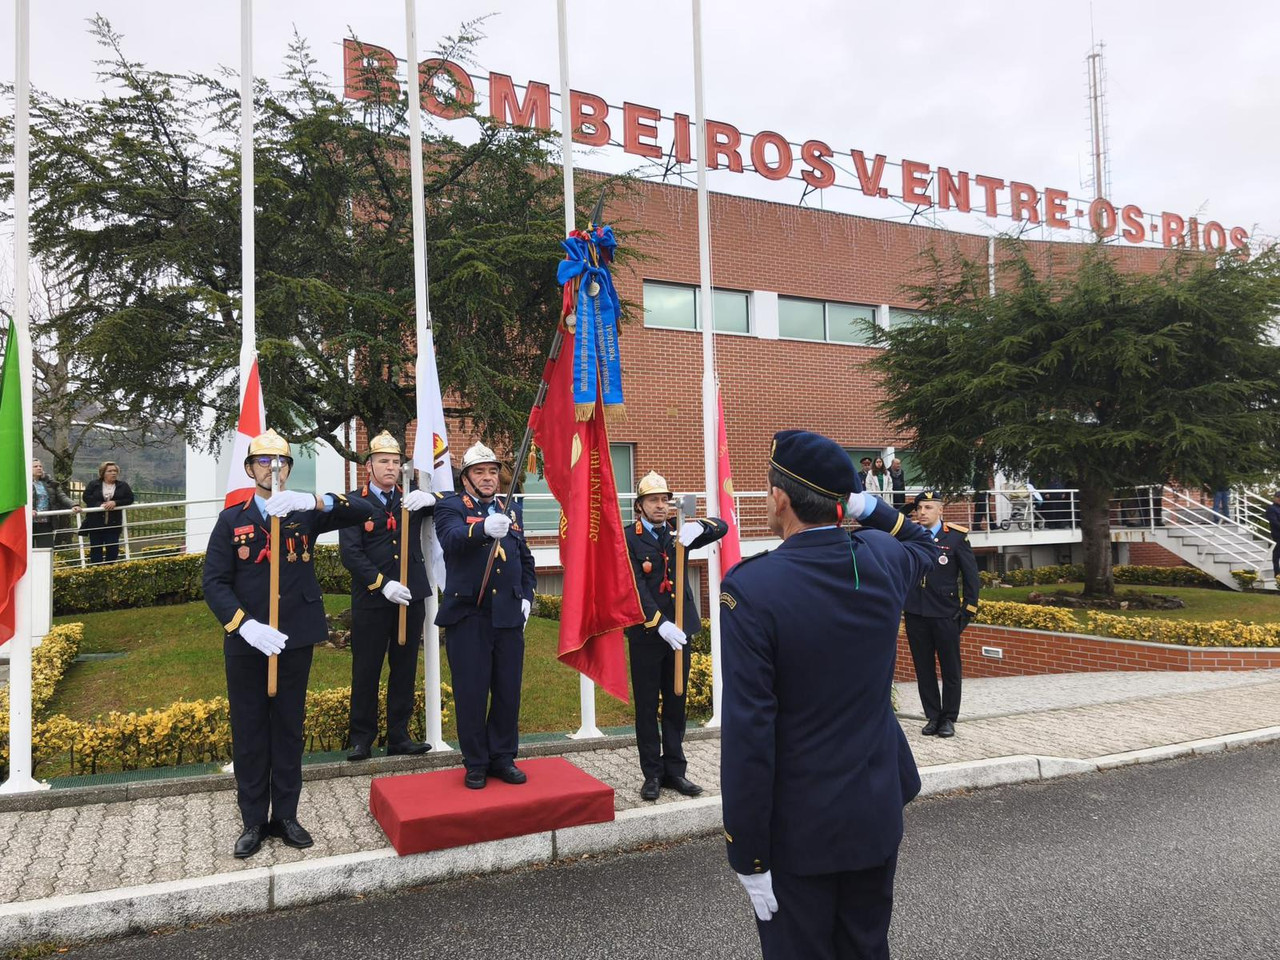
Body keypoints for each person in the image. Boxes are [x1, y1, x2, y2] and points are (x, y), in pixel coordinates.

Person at [719, 429, 938, 960]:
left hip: (800, 832)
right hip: (874, 812)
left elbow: (750, 735)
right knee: (866, 949)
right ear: (842, 501)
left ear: (781, 498)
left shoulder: (751, 589)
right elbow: (924, 543)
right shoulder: (882, 558)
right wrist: (872, 506)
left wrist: (748, 856)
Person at [202, 429, 375, 859]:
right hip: (248, 642)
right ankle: (253, 820)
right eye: (264, 462)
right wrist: (243, 626)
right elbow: (214, 582)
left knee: (288, 728)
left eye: (280, 463)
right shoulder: (232, 520)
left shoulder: (302, 514)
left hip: (294, 637)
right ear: (249, 468)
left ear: (290, 469)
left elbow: (365, 509)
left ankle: (287, 815)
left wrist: (314, 501)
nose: (272, 469)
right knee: (249, 731)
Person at [434, 441, 537, 790]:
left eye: (493, 471)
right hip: (469, 615)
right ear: (466, 478)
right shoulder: (450, 505)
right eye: (480, 472)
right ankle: (476, 761)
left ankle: (503, 757)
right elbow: (451, 539)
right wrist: (481, 530)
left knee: (508, 691)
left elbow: (525, 559)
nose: (489, 478)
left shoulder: (512, 509)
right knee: (472, 692)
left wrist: (527, 595)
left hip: (508, 613)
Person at [624, 470, 727, 801]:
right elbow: (635, 586)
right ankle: (651, 774)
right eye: (653, 500)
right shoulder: (630, 537)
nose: (660, 505)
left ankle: (675, 772)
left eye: (664, 500)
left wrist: (701, 527)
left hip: (680, 632)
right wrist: (658, 623)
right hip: (648, 632)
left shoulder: (679, 532)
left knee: (676, 702)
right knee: (646, 706)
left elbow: (723, 525)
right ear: (640, 506)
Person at [339, 431, 436, 762]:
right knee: (366, 669)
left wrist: (432, 498)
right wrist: (382, 584)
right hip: (372, 598)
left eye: (395, 462)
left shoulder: (410, 498)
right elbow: (351, 554)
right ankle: (361, 738)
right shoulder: (354, 502)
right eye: (384, 461)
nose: (391, 467)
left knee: (405, 666)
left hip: (410, 596)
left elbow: (453, 502)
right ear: (370, 466)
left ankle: (399, 735)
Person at [904, 491, 980, 739]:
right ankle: (932, 716)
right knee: (923, 668)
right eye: (919, 508)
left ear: (940, 511)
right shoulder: (910, 537)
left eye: (927, 507)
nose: (922, 512)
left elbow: (971, 578)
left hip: (945, 614)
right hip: (916, 612)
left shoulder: (956, 538)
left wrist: (967, 611)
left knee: (950, 669)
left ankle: (948, 718)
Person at [79, 461, 135, 564]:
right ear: (103, 473)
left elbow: (130, 499)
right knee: (96, 551)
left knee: (113, 550)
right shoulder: (94, 484)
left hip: (113, 524)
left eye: (115, 471)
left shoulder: (123, 485)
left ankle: (110, 570)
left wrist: (115, 502)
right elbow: (86, 497)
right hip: (95, 524)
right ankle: (97, 572)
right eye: (110, 471)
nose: (113, 473)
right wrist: (99, 505)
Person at [31, 459, 77, 549]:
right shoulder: (23, 483)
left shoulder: (50, 483)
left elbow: (62, 496)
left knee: (46, 550)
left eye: (40, 466)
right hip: (28, 522)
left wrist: (74, 505)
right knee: (27, 551)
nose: (39, 468)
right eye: (35, 466)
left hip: (46, 522)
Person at [1267, 491, 1280, 579]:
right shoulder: (1271, 508)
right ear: (1274, 498)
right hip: (1277, 535)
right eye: (1278, 497)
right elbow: (1274, 522)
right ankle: (1277, 575)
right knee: (1276, 555)